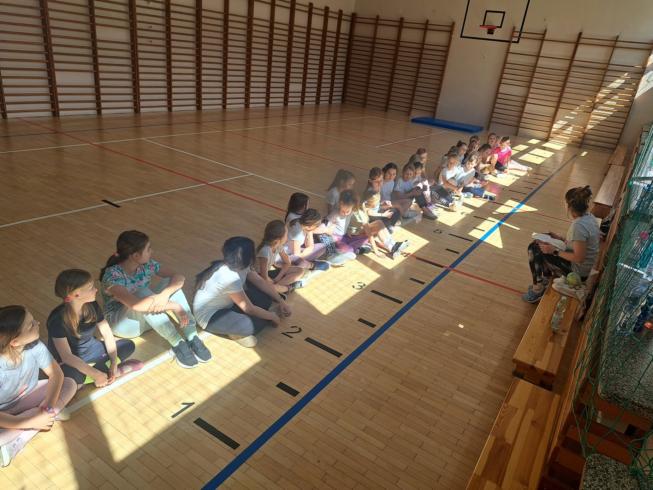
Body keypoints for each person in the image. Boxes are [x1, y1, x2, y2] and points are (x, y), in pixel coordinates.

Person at [100, 230, 211, 369]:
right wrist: (175, 306)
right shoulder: (112, 276)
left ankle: (192, 336)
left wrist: (164, 295)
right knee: (142, 293)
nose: (151, 251)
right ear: (135, 255)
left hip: (148, 318)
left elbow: (178, 277)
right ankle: (177, 343)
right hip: (124, 325)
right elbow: (136, 305)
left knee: (170, 284)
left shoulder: (146, 265)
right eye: (148, 249)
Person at [0, 305, 76, 467]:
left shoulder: (35, 346)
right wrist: (31, 421)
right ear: (15, 342)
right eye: (31, 325)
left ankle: (19, 436)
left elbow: (56, 374)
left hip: (25, 398)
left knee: (69, 384)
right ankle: (18, 439)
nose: (38, 323)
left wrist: (47, 408)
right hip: (2, 412)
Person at [47, 269, 144, 388]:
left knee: (128, 345)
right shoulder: (57, 319)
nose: (96, 289)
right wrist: (96, 374)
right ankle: (112, 373)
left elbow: (107, 333)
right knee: (67, 373)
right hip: (70, 361)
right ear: (77, 294)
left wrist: (113, 362)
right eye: (91, 288)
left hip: (92, 350)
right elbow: (67, 356)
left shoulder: (92, 305)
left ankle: (97, 376)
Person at [193, 237, 292, 348]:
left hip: (229, 304)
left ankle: (240, 325)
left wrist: (281, 301)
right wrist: (273, 316)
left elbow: (260, 281)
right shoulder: (228, 276)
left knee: (265, 298)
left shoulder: (239, 265)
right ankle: (235, 332)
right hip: (211, 316)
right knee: (247, 325)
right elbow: (249, 309)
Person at [522, 186, 600, 303]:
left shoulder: (578, 226)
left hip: (577, 273)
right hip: (582, 267)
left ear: (569, 206)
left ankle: (537, 289)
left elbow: (579, 258)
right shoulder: (589, 217)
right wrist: (560, 239)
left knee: (533, 248)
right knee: (539, 243)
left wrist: (554, 251)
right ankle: (544, 279)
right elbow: (579, 245)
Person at [347, 193, 409, 259]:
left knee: (379, 223)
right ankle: (392, 247)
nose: (378, 204)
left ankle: (393, 245)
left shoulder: (363, 207)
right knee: (378, 224)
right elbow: (369, 235)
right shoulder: (361, 214)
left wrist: (383, 206)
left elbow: (371, 211)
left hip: (358, 231)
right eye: (377, 203)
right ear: (372, 203)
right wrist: (377, 252)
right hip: (355, 235)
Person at [256, 220, 307, 294]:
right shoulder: (265, 251)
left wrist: (277, 278)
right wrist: (272, 282)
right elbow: (264, 276)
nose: (287, 236)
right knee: (270, 286)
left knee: (300, 270)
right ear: (278, 239)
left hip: (267, 275)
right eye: (286, 235)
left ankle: (278, 289)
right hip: (258, 277)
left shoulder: (278, 246)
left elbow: (287, 262)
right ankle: (287, 288)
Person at [363, 167, 401, 231]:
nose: (380, 183)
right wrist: (383, 215)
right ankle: (388, 227)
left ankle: (389, 226)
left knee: (395, 211)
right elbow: (369, 212)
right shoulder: (371, 193)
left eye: (381, 180)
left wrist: (382, 203)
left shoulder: (377, 188)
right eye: (376, 181)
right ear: (370, 181)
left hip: (377, 212)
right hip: (371, 218)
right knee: (388, 222)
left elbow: (374, 205)